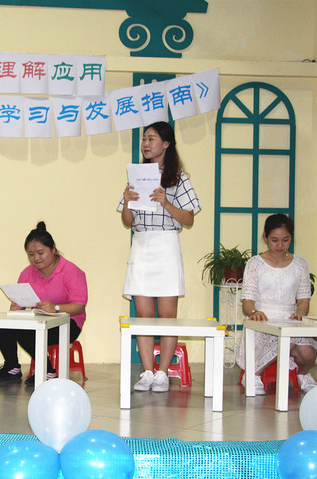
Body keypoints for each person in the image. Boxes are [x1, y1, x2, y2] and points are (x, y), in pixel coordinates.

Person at [118, 121, 201, 393]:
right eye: (144, 139)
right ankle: (147, 372)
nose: (146, 144)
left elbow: (189, 218)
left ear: (166, 144)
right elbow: (127, 222)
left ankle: (163, 372)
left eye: (151, 139)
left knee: (167, 315)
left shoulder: (179, 178)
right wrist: (127, 201)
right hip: (142, 244)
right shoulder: (136, 176)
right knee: (143, 316)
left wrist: (166, 203)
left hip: (166, 245)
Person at [0, 222, 88, 386]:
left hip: (68, 324)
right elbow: (22, 301)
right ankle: (12, 366)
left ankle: (47, 370)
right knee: (3, 326)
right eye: (31, 254)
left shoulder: (71, 271)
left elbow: (79, 306)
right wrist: (17, 307)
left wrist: (56, 308)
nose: (36, 258)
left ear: (53, 249)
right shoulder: (27, 273)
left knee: (27, 332)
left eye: (40, 253)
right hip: (39, 321)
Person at [236, 213, 317, 394]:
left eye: (285, 240)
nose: (280, 245)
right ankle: (253, 374)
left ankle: (303, 374)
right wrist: (254, 312)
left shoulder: (300, 264)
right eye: (275, 240)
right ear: (265, 237)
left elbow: (303, 300)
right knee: (282, 340)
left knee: (308, 350)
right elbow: (247, 302)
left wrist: (300, 313)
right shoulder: (255, 263)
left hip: (290, 320)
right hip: (262, 321)